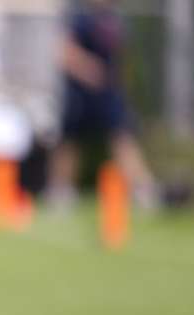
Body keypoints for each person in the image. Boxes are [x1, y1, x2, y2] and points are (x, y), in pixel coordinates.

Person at [49, 0, 156, 207]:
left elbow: (122, 56)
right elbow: (64, 52)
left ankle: (143, 189)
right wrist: (88, 69)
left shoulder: (116, 20)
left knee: (122, 138)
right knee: (70, 142)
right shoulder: (79, 18)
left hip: (108, 93)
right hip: (80, 92)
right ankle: (60, 190)